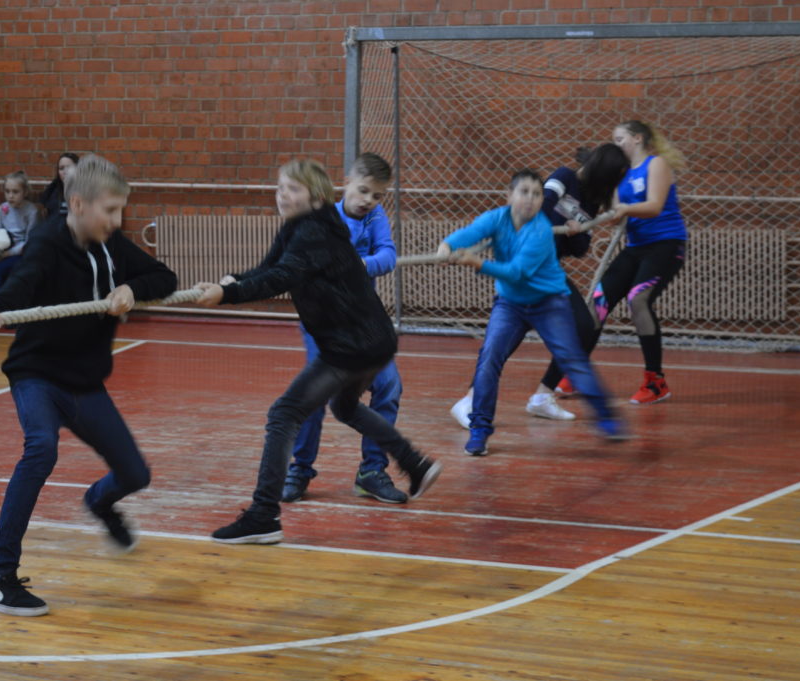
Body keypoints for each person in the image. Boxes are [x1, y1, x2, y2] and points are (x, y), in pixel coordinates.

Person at [195, 159, 441, 544]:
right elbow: (270, 267)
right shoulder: (303, 226)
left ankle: (263, 515)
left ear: (315, 197)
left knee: (284, 414)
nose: (282, 195)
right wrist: (234, 282)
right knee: (345, 407)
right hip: (372, 342)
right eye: (280, 188)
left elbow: (282, 277)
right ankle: (414, 462)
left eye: (293, 189)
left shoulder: (312, 229)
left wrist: (228, 294)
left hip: (351, 346)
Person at [0, 155, 178, 616]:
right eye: (110, 210)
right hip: (38, 375)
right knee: (41, 449)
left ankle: (100, 503)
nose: (117, 220)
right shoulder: (48, 242)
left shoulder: (111, 244)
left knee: (135, 474)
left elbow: (165, 277)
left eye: (120, 210)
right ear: (79, 204)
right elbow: (21, 284)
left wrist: (132, 289)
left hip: (84, 383)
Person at [439, 169, 625, 456]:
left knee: (572, 359)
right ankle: (480, 430)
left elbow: (517, 272)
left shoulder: (540, 231)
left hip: (549, 303)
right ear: (509, 196)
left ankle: (607, 416)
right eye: (523, 192)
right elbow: (469, 233)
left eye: (536, 194)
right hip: (510, 305)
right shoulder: (496, 218)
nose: (530, 199)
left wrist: (478, 264)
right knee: (489, 359)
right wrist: (447, 245)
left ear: (542, 201)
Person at [281, 152, 406, 505]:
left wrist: (358, 265)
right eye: (363, 190)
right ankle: (299, 469)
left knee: (389, 385)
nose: (368, 200)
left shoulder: (376, 217)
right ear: (347, 183)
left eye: (377, 195)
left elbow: (388, 257)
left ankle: (371, 471)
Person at [592, 120, 687, 405]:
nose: (616, 144)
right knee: (598, 300)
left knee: (638, 298)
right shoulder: (622, 174)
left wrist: (625, 208)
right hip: (635, 247)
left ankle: (655, 381)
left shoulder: (656, 165)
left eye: (620, 138)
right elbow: (617, 217)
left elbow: (654, 205)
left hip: (665, 244)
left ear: (637, 138)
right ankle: (576, 370)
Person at [0, 170, 40, 301]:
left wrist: (8, 253)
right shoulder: (3, 208)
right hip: (2, 249)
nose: (10, 196)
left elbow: (30, 241)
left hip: (20, 253)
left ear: (25, 192)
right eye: (7, 191)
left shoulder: (32, 211)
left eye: (15, 192)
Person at [38, 152, 79, 219]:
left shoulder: (84, 190)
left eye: (69, 167)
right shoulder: (54, 187)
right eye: (61, 168)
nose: (65, 171)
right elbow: (40, 205)